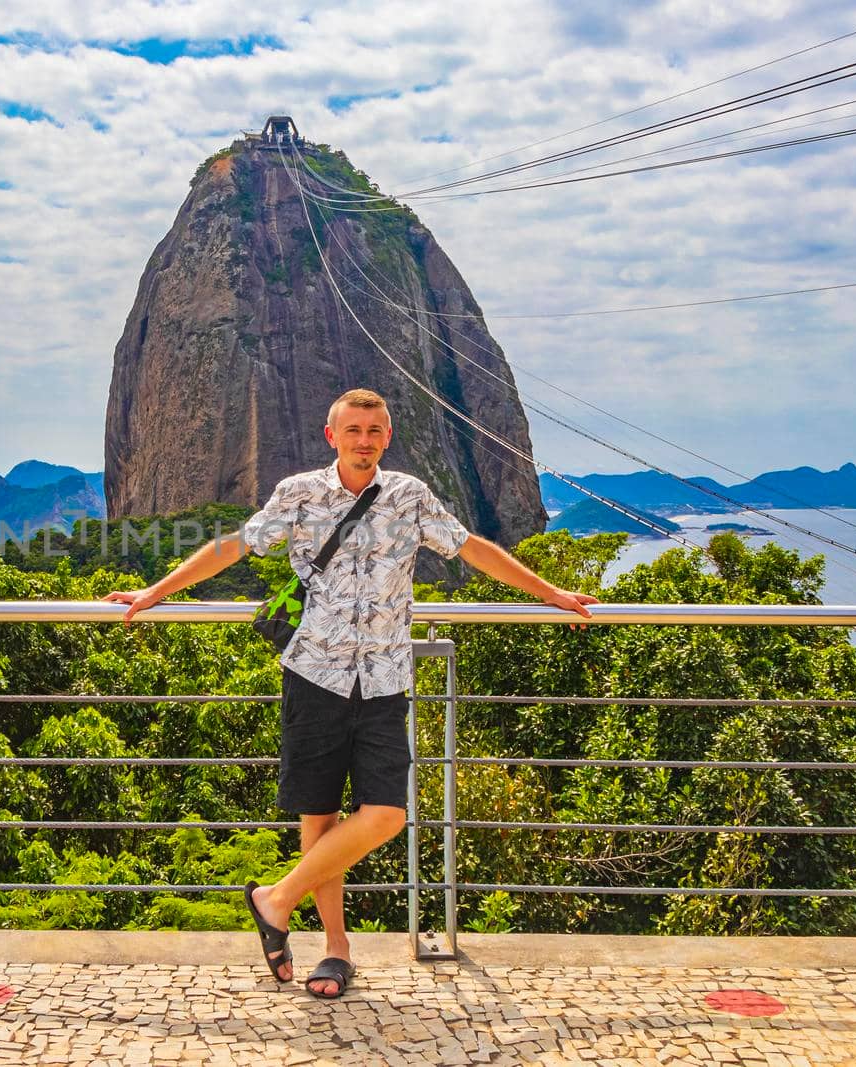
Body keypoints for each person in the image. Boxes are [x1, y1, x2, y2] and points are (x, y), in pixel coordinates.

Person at [102, 388, 598, 998]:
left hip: (386, 679)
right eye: (354, 429)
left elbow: (472, 548)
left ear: (387, 437)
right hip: (314, 675)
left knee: (386, 815)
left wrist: (551, 594)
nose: (365, 439)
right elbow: (233, 546)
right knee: (320, 820)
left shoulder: (410, 496)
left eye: (376, 429)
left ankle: (273, 899)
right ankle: (335, 952)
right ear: (330, 434)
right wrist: (157, 590)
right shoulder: (299, 493)